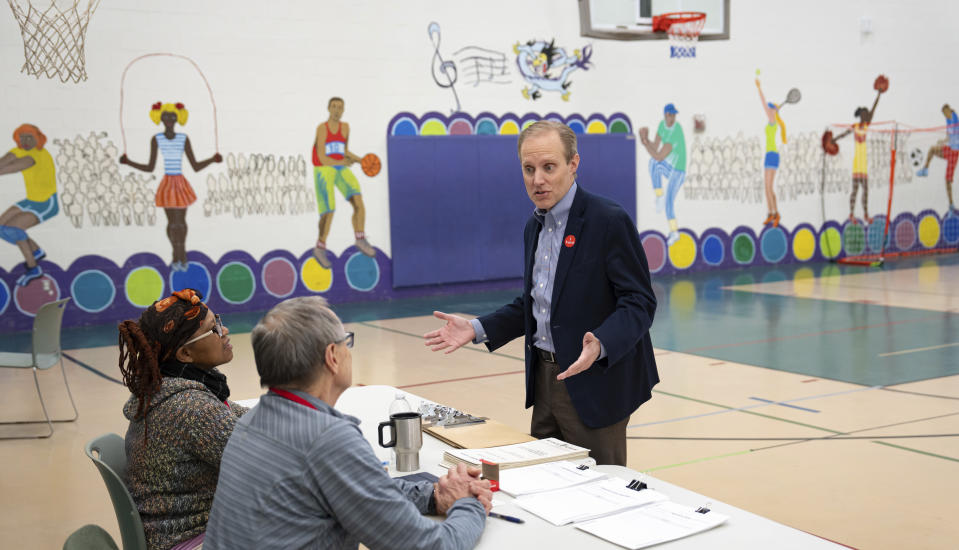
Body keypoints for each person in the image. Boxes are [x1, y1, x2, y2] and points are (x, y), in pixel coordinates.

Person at [424, 121, 659, 466]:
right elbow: (535, 305)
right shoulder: (533, 227)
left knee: (601, 490)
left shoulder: (608, 221)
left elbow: (640, 302)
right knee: (546, 484)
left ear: (573, 164)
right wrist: (476, 328)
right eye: (529, 169)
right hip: (544, 382)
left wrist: (603, 342)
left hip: (594, 381)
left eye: (549, 167)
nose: (538, 180)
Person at [205, 296, 491, 550]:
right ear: (332, 356)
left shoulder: (252, 421)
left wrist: (433, 495)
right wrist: (467, 503)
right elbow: (430, 545)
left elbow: (362, 490)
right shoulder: (326, 438)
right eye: (346, 340)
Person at [118, 288, 246, 550]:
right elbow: (265, 464)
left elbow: (233, 413)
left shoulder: (166, 388)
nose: (225, 332)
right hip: (192, 540)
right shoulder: (192, 409)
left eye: (218, 321)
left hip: (172, 535)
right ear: (185, 355)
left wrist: (282, 412)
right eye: (213, 329)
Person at [120, 102, 222, 271]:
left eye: (172, 116)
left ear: (177, 118)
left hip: (180, 183)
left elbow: (195, 165)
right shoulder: (157, 139)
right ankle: (177, 255)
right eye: (166, 116)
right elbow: (150, 166)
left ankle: (181, 254)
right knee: (172, 223)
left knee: (181, 222)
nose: (169, 119)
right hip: (167, 184)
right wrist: (128, 162)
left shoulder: (183, 139)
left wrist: (212, 159)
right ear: (160, 118)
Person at [312, 96, 376, 269]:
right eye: (333, 106)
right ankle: (320, 247)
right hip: (323, 168)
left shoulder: (345, 127)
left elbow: (344, 150)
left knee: (358, 201)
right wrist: (342, 162)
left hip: (339, 167)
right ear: (328, 108)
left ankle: (360, 238)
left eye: (340, 107)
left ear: (343, 110)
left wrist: (361, 160)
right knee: (329, 209)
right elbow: (323, 158)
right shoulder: (322, 129)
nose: (336, 110)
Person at [0, 124, 57, 286]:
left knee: (13, 229)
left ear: (38, 138)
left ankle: (33, 268)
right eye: (21, 137)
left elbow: (13, 167)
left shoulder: (38, 155)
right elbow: (6, 160)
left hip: (46, 202)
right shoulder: (20, 150)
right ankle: (36, 250)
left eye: (29, 137)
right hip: (31, 201)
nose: (24, 141)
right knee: (1, 227)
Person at [832, 86, 884, 224]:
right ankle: (851, 214)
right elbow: (844, 134)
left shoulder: (867, 125)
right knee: (854, 191)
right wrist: (834, 139)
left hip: (864, 165)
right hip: (857, 165)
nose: (868, 115)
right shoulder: (855, 126)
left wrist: (879, 94)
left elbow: (874, 109)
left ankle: (866, 214)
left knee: (866, 191)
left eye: (868, 114)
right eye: (865, 113)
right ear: (861, 115)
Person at [639, 103, 686, 245]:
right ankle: (659, 195)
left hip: (678, 172)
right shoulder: (661, 125)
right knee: (653, 164)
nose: (673, 117)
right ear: (666, 115)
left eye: (674, 115)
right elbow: (655, 146)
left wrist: (644, 142)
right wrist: (646, 140)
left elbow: (659, 155)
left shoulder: (676, 130)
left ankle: (674, 232)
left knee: (669, 203)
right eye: (671, 115)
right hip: (670, 168)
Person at [755, 79, 788, 227]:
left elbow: (763, 103)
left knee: (768, 187)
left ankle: (775, 214)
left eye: (770, 108)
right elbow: (765, 105)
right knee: (767, 187)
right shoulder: (771, 121)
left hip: (773, 155)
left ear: (774, 111)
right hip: (769, 155)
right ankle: (772, 213)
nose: (767, 110)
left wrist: (759, 88)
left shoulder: (773, 120)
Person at [916, 103, 959, 214]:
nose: (946, 115)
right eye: (944, 114)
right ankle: (925, 170)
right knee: (932, 149)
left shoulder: (955, 118)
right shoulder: (948, 121)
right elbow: (949, 137)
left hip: (954, 154)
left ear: (950, 110)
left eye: (946, 112)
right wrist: (942, 141)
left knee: (947, 180)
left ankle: (951, 205)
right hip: (948, 149)